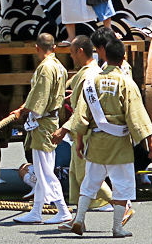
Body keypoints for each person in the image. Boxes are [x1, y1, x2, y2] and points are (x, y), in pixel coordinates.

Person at [64, 37, 152, 237]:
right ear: (123, 58)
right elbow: (137, 115)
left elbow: (81, 114)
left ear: (103, 56)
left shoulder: (91, 81)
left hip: (96, 141)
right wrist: (150, 141)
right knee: (122, 185)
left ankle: (79, 219)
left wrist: (79, 141)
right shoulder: (126, 83)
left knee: (90, 182)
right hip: (119, 144)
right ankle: (117, 227)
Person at [13, 33, 71, 225]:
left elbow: (39, 97)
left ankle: (62, 209)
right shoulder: (60, 67)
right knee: (41, 167)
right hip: (50, 120)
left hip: (43, 122)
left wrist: (22, 110)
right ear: (53, 47)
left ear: (37, 48)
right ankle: (36, 211)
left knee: (45, 170)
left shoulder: (46, 68)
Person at [51, 35, 111, 213]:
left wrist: (64, 128)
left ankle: (118, 204)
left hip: (88, 129)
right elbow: (80, 99)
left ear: (81, 51)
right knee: (77, 173)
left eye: (72, 52)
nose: (71, 56)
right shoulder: (86, 71)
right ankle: (80, 213)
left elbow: (84, 109)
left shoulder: (91, 74)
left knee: (87, 174)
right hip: (81, 130)